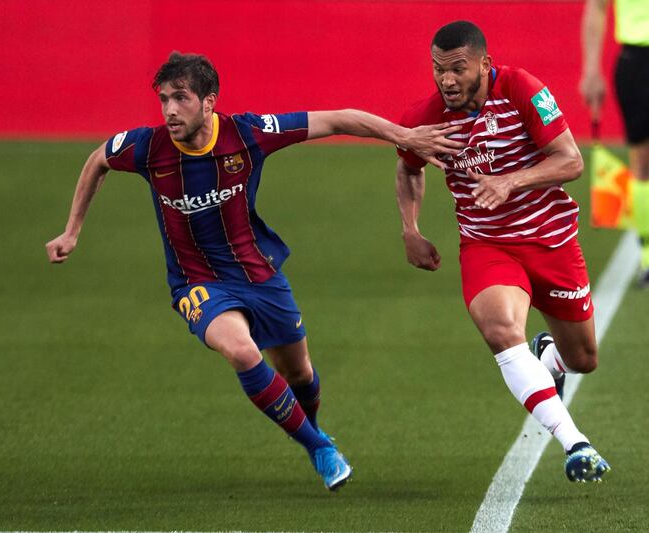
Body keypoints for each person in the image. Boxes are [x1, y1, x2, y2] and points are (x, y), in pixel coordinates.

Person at [46, 52, 462, 491]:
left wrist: (405, 136)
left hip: (257, 273)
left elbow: (339, 119)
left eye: (181, 98)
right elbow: (98, 160)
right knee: (243, 352)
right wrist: (72, 230)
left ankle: (313, 429)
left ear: (209, 102)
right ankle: (319, 447)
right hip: (196, 283)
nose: (169, 110)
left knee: (299, 372)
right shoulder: (146, 147)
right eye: (164, 99)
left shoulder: (247, 134)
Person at [395, 21, 611, 482]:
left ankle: (551, 355)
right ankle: (576, 443)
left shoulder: (521, 89)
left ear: (484, 64)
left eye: (457, 68)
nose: (446, 80)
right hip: (487, 244)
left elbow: (571, 160)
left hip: (551, 241)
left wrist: (510, 181)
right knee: (501, 330)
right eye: (438, 69)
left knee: (583, 360)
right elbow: (408, 167)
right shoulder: (428, 118)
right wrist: (410, 229)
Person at [580, 0, 649, 285]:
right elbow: (596, 7)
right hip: (638, 61)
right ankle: (648, 258)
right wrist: (591, 70)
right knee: (642, 166)